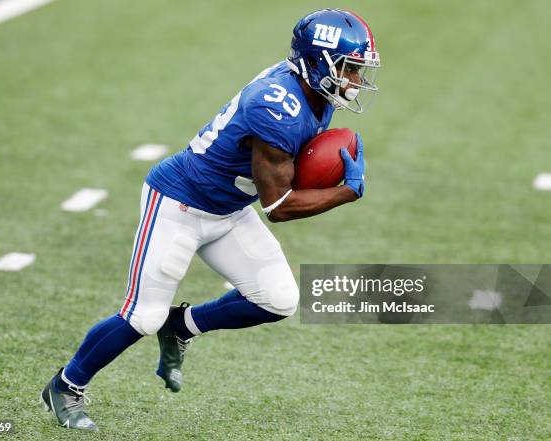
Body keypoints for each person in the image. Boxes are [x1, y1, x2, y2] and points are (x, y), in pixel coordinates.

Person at [41, 8, 381, 431]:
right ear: (318, 63)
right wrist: (346, 191)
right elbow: (279, 208)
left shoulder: (309, 89)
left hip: (228, 209)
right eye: (349, 68)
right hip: (179, 203)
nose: (355, 80)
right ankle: (65, 385)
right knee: (142, 316)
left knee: (279, 299)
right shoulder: (277, 106)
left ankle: (181, 326)